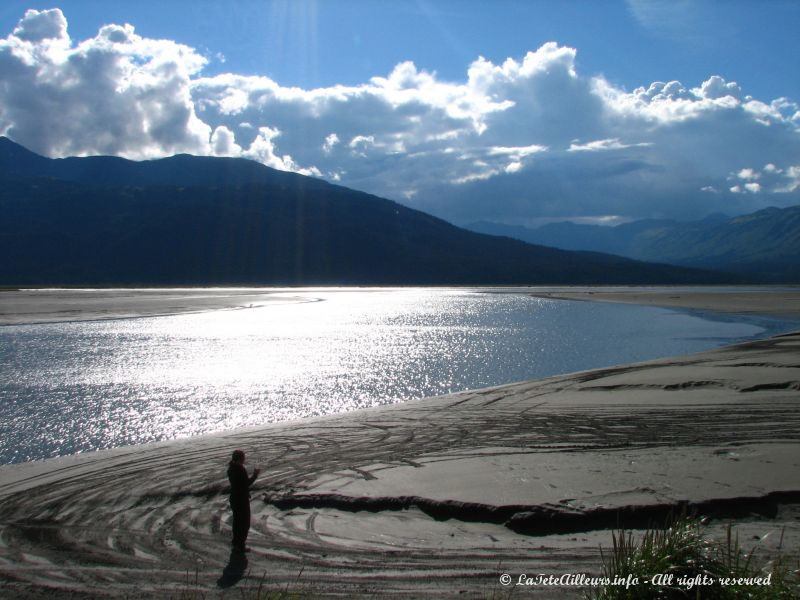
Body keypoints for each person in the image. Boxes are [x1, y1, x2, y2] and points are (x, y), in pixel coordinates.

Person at [227, 449, 260, 553]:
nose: (244, 460)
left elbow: (240, 485)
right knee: (244, 523)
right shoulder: (239, 469)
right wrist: (255, 475)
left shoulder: (231, 468)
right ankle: (240, 545)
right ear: (240, 459)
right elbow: (246, 484)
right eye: (243, 458)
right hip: (240, 499)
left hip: (235, 498)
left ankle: (236, 542)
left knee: (237, 522)